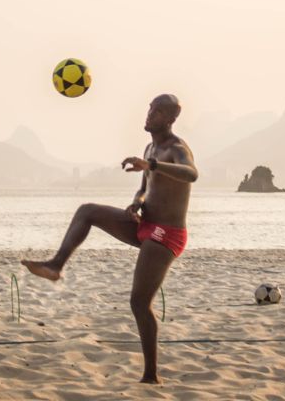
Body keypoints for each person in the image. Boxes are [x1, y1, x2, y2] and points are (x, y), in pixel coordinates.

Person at [21, 94, 197, 384]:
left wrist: (152, 165)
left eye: (155, 111)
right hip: (144, 223)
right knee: (87, 211)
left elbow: (191, 174)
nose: (148, 114)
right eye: (149, 108)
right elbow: (145, 188)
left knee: (139, 303)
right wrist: (136, 203)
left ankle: (151, 375)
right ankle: (55, 265)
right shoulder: (150, 147)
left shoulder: (176, 148)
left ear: (169, 117)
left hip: (166, 234)